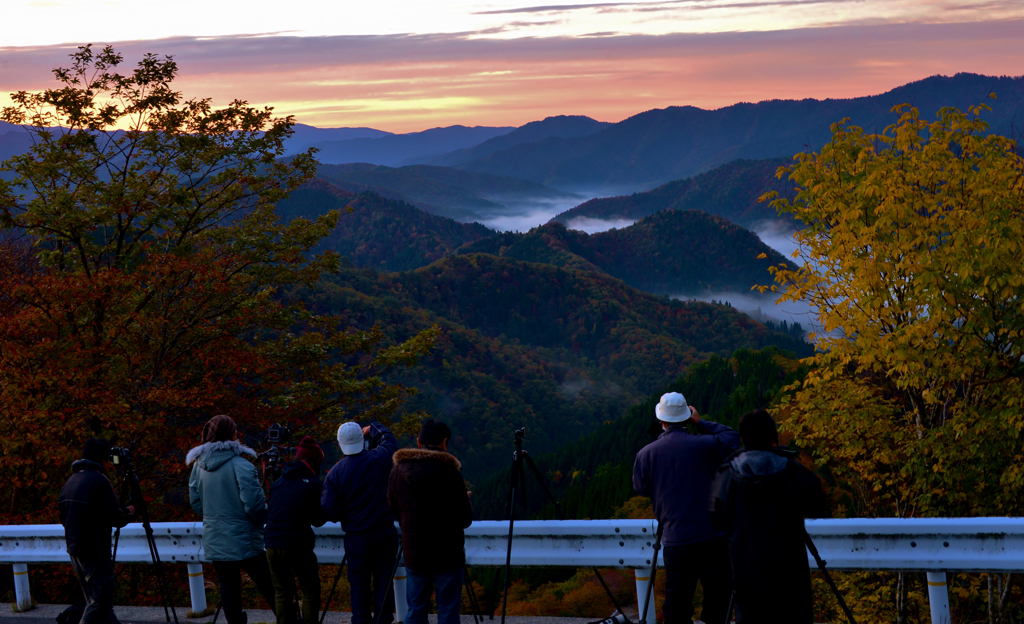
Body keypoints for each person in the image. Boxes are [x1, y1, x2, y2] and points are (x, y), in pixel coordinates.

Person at [710, 409, 829, 624]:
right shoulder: (794, 473)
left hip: (746, 572)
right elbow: (819, 507)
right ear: (773, 438)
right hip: (790, 573)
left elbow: (716, 519)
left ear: (743, 438)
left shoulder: (727, 477)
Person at [632, 392, 740, 624]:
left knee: (677, 605)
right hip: (713, 536)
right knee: (718, 600)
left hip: (676, 538)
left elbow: (641, 488)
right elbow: (732, 437)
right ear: (686, 417)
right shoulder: (706, 444)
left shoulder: (646, 454)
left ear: (661, 421)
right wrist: (700, 422)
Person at [187, 414, 276, 624]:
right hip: (244, 539)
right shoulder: (241, 466)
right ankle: (288, 619)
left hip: (215, 538)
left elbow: (196, 503)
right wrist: (262, 519)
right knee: (270, 585)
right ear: (231, 435)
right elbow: (254, 506)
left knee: (229, 591)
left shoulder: (197, 467)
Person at [387, 419, 473, 624]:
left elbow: (393, 509)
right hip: (447, 553)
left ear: (418, 441)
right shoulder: (451, 473)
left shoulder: (398, 471)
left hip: (415, 552)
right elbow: (464, 519)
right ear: (444, 442)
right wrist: (466, 501)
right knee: (448, 611)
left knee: (416, 609)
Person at [321, 421, 399, 624]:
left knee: (358, 581)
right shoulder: (380, 459)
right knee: (384, 579)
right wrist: (372, 427)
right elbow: (390, 440)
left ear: (339, 444)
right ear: (362, 440)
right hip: (384, 531)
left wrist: (347, 514)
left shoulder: (336, 473)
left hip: (356, 536)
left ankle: (361, 619)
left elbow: (330, 510)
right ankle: (383, 618)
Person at [58, 438, 134, 624]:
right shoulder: (100, 481)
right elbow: (113, 517)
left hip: (74, 547)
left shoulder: (71, 480)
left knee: (95, 600)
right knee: (99, 601)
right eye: (108, 459)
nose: (109, 463)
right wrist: (129, 512)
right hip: (95, 550)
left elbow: (63, 516)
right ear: (102, 459)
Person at [265, 436, 328, 624]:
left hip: (270, 542)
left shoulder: (278, 483)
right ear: (314, 461)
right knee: (310, 590)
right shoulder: (313, 484)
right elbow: (318, 520)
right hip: (295, 543)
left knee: (282, 591)